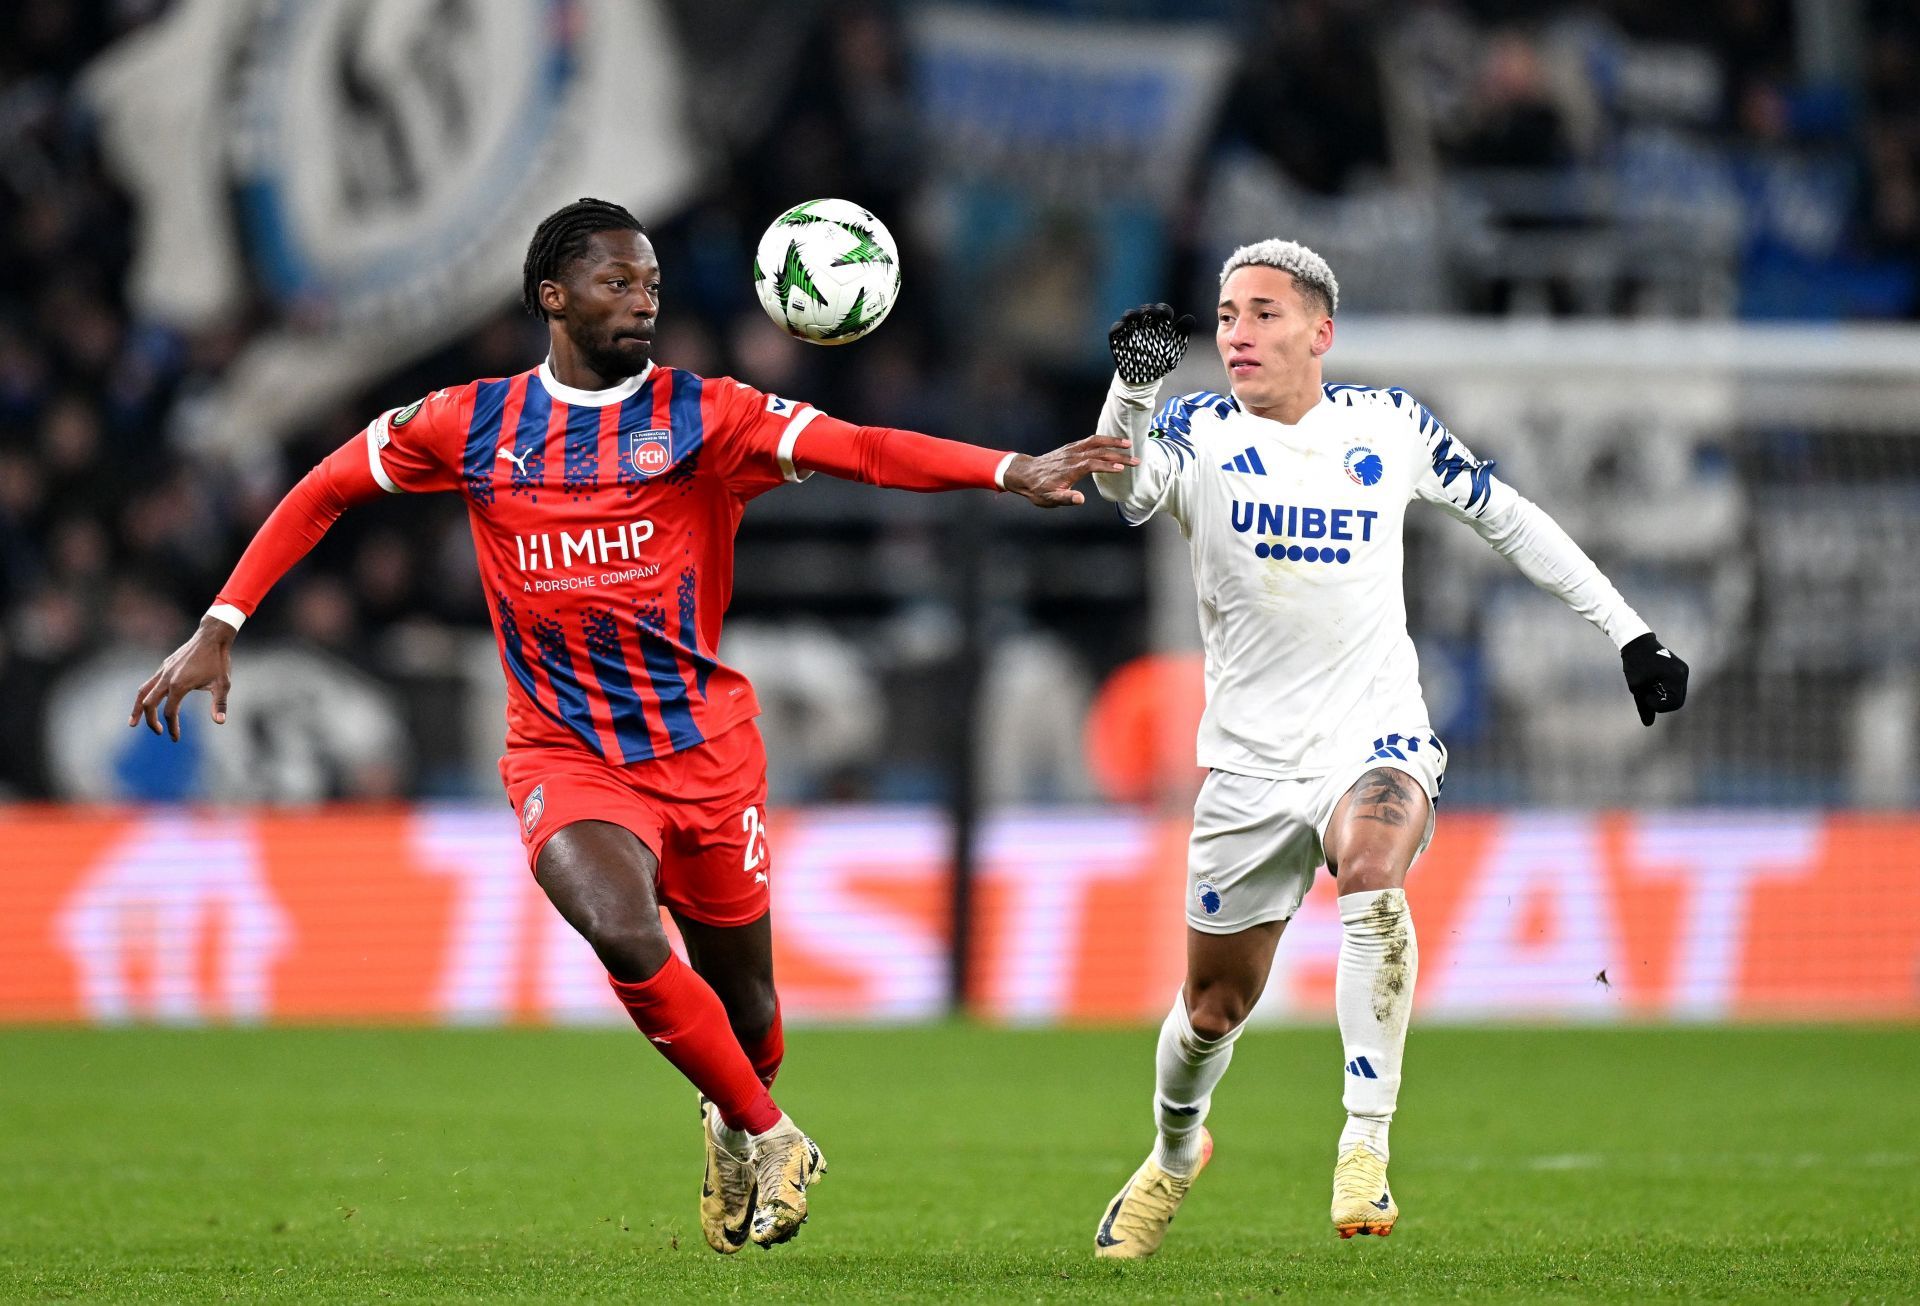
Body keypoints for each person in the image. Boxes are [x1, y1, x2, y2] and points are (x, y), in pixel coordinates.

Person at [128, 197, 1132, 1253]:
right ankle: (769, 1130)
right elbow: (324, 486)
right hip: (563, 754)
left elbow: (865, 449)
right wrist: (221, 621)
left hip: (702, 754)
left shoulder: (712, 416)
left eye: (650, 284)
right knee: (618, 925)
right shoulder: (469, 422)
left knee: (748, 1007)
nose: (642, 301)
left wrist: (1008, 469)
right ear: (552, 297)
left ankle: (733, 1113)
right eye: (617, 283)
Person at [1086, 241, 1688, 1258]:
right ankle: (1175, 1153)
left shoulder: (1388, 425)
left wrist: (1629, 630)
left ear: (1320, 332)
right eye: (1228, 314)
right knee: (1211, 1008)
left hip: (1376, 732)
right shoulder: (1198, 427)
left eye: (1264, 314)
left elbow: (1513, 521)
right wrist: (1133, 385)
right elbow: (1128, 487)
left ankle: (1365, 1143)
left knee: (1373, 869)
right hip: (1249, 765)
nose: (1238, 333)